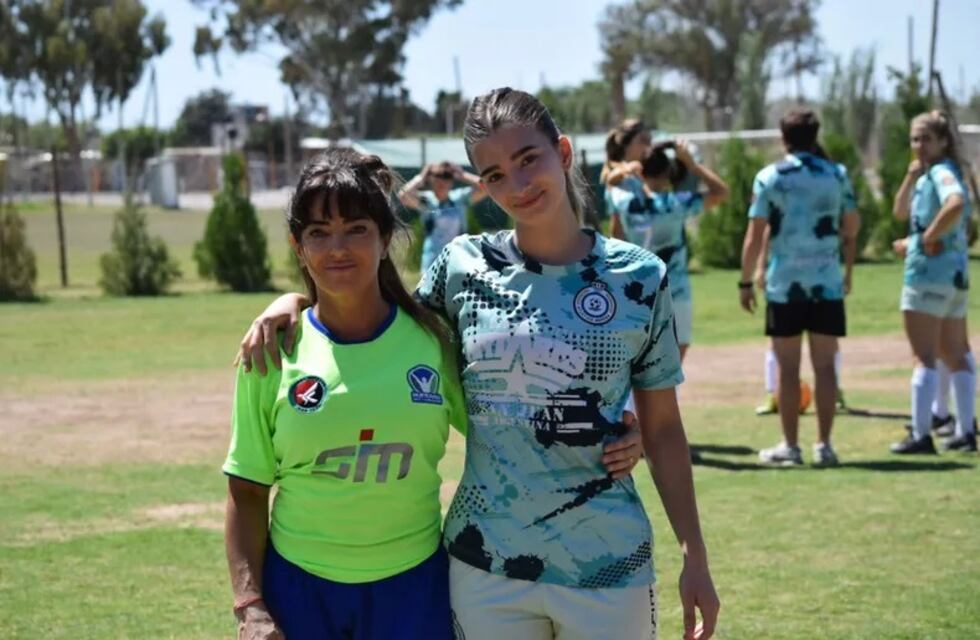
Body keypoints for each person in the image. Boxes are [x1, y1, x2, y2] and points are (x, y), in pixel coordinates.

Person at [240, 89, 719, 640]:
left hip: (606, 563)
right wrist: (293, 302)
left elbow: (662, 428)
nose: (515, 186)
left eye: (527, 160)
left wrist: (694, 556)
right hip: (484, 565)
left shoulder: (639, 277)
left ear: (562, 152)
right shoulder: (463, 267)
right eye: (493, 175)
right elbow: (373, 310)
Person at [739, 108, 859, 467]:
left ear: (784, 137)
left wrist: (746, 280)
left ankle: (790, 447)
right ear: (816, 135)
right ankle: (825, 446)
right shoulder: (837, 175)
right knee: (825, 367)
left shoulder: (770, 177)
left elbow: (754, 236)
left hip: (784, 286)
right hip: (826, 285)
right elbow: (852, 224)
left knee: (787, 369)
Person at [889, 110, 976, 454]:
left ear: (943, 141)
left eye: (926, 138)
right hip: (954, 275)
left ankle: (922, 433)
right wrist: (910, 178)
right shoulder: (930, 175)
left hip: (928, 274)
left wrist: (926, 238)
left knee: (924, 355)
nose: (919, 145)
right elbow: (899, 213)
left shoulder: (942, 173)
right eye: (914, 139)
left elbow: (955, 203)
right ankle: (966, 431)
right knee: (956, 353)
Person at [607, 139, 729, 361]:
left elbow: (610, 183)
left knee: (638, 361)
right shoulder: (676, 203)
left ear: (642, 171)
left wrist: (627, 168)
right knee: (671, 363)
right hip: (676, 292)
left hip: (637, 292)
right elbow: (721, 192)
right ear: (668, 172)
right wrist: (693, 166)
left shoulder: (627, 202)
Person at [398, 160, 487, 272]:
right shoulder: (427, 201)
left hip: (457, 258)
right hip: (431, 260)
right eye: (437, 181)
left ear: (451, 183)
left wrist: (463, 175)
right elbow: (403, 196)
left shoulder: (459, 199)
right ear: (431, 181)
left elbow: (486, 188)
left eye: (445, 181)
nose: (441, 185)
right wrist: (421, 178)